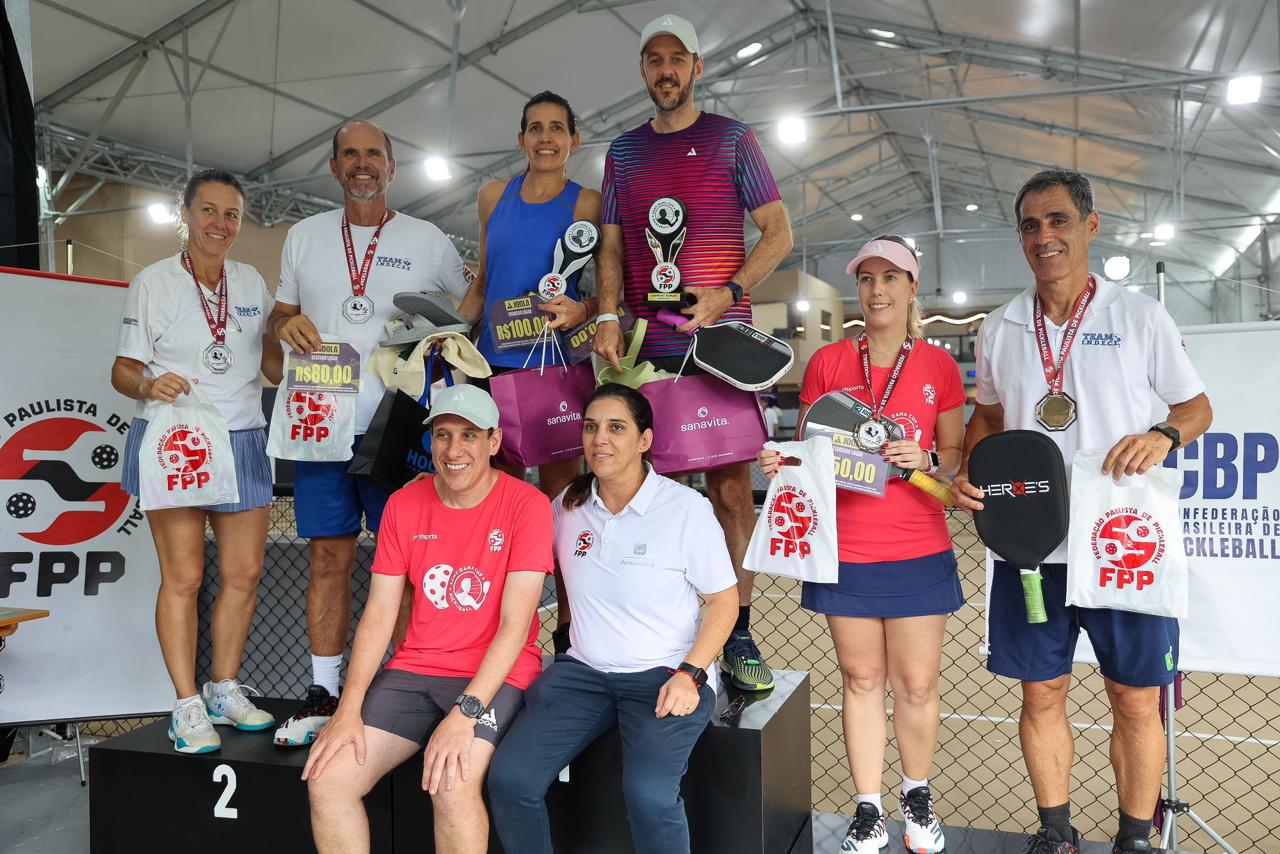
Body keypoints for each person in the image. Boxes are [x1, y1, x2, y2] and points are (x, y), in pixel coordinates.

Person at [950, 170, 1212, 854]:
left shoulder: (1138, 316)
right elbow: (988, 417)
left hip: (1121, 542)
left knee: (1134, 699)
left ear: (1090, 227)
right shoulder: (1002, 326)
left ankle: (1132, 837)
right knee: (1041, 696)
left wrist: (1163, 436)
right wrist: (965, 473)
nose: (1046, 237)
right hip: (1030, 547)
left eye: (1059, 220)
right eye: (1032, 225)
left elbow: (1196, 407)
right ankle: (1055, 830)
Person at [591, 13, 793, 691]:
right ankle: (674, 635)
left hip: (720, 347)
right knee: (659, 495)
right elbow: (615, 243)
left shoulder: (733, 140)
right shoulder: (622, 153)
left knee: (733, 495)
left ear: (698, 67)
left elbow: (778, 231)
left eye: (677, 59)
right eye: (653, 60)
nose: (666, 70)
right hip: (648, 352)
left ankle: (737, 633)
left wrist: (728, 290)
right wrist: (612, 314)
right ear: (643, 71)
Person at [267, 118, 474, 747]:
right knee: (328, 557)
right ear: (333, 166)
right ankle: (324, 688)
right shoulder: (303, 237)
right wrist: (288, 325)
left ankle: (405, 677)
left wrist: (440, 339)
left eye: (374, 155)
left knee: (408, 565)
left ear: (392, 168)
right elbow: (281, 314)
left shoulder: (428, 238)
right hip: (320, 422)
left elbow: (467, 306)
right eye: (350, 155)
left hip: (397, 427)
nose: (362, 164)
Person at [758, 235, 964, 853]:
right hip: (843, 545)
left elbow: (953, 458)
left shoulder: (938, 366)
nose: (876, 290)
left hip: (918, 544)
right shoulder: (826, 362)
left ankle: (918, 796)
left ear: (911, 288)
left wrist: (924, 456)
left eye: (889, 278)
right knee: (860, 678)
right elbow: (808, 451)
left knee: (918, 685)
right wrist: (781, 463)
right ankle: (869, 809)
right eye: (867, 278)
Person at [487, 383, 738, 854]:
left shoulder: (686, 509)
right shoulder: (566, 507)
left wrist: (691, 673)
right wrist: (440, 485)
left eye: (616, 428)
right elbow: (500, 513)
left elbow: (724, 602)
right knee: (509, 779)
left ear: (644, 440)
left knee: (648, 796)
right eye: (591, 427)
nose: (600, 439)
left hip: (664, 675)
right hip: (582, 675)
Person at [302, 384, 551, 854]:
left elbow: (516, 626)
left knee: (451, 785)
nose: (454, 450)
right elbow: (379, 614)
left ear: (494, 442)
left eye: (469, 436)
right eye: (442, 435)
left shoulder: (527, 505)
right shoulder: (403, 503)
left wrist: (466, 712)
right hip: (414, 668)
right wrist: (349, 708)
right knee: (328, 780)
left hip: (495, 674)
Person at [111, 169, 284, 754]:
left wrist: (316, 369)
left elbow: (272, 367)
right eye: (208, 211)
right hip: (178, 438)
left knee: (243, 575)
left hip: (241, 437)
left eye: (231, 214)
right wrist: (151, 381)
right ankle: (185, 705)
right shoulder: (153, 282)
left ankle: (223, 689)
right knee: (183, 578)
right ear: (184, 214)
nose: (220, 224)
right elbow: (122, 371)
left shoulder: (252, 282)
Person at [462, 90, 601, 654]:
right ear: (520, 139)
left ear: (574, 139)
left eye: (557, 128)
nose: (546, 138)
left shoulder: (587, 201)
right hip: (494, 371)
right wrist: (445, 335)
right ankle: (499, 640)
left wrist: (585, 311)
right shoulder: (492, 195)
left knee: (564, 511)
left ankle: (571, 640)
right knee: (496, 511)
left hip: (557, 371)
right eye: (535, 128)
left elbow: (603, 287)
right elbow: (482, 283)